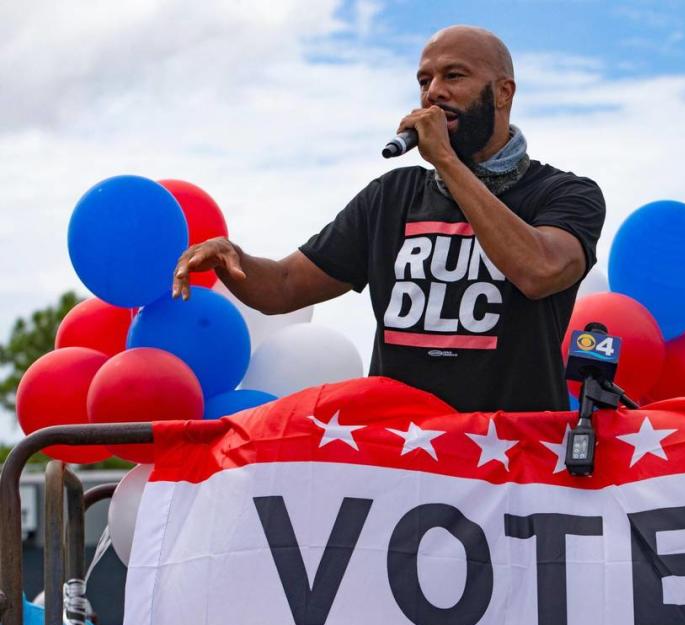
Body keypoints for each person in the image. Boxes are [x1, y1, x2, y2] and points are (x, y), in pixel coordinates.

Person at [172, 25, 605, 412]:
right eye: (424, 80)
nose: (434, 91)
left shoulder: (566, 193)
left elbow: (539, 270)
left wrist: (447, 163)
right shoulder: (390, 197)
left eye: (453, 76)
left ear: (504, 93)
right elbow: (284, 287)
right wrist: (234, 259)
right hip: (405, 462)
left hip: (514, 464)